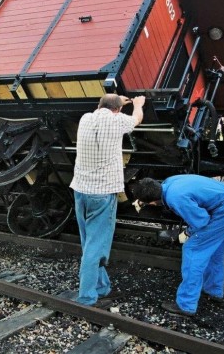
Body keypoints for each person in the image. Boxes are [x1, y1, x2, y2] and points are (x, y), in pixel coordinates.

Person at [69, 93, 145, 305]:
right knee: (96, 247)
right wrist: (138, 104)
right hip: (102, 194)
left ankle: (102, 287)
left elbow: (103, 108)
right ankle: (86, 297)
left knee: (89, 242)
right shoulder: (117, 120)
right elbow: (136, 118)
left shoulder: (86, 118)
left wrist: (117, 100)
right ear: (118, 109)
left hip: (81, 190)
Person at [132, 175, 224, 316]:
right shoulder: (168, 182)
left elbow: (201, 221)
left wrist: (187, 233)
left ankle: (186, 304)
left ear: (153, 202)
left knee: (193, 250)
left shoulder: (175, 198)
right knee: (214, 252)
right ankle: (214, 291)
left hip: (223, 212)